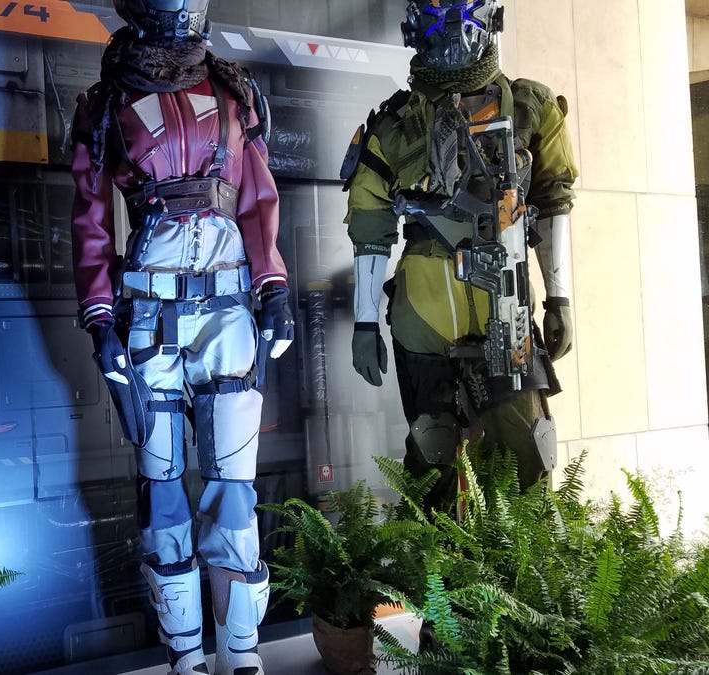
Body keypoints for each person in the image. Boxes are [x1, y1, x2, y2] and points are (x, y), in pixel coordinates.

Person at [69, 1, 294, 673]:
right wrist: (99, 318)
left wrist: (274, 286)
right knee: (163, 492)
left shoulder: (233, 90)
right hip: (150, 319)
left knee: (235, 490)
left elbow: (257, 197)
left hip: (228, 313)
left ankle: (242, 654)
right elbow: (89, 220)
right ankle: (187, 659)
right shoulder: (105, 104)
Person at [343, 0, 578, 507]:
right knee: (432, 463)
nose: (452, 25)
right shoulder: (393, 124)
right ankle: (430, 560)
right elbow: (369, 226)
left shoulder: (529, 106)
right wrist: (364, 322)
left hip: (506, 308)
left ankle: (516, 562)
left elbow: (554, 200)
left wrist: (559, 299)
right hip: (424, 311)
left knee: (528, 459)